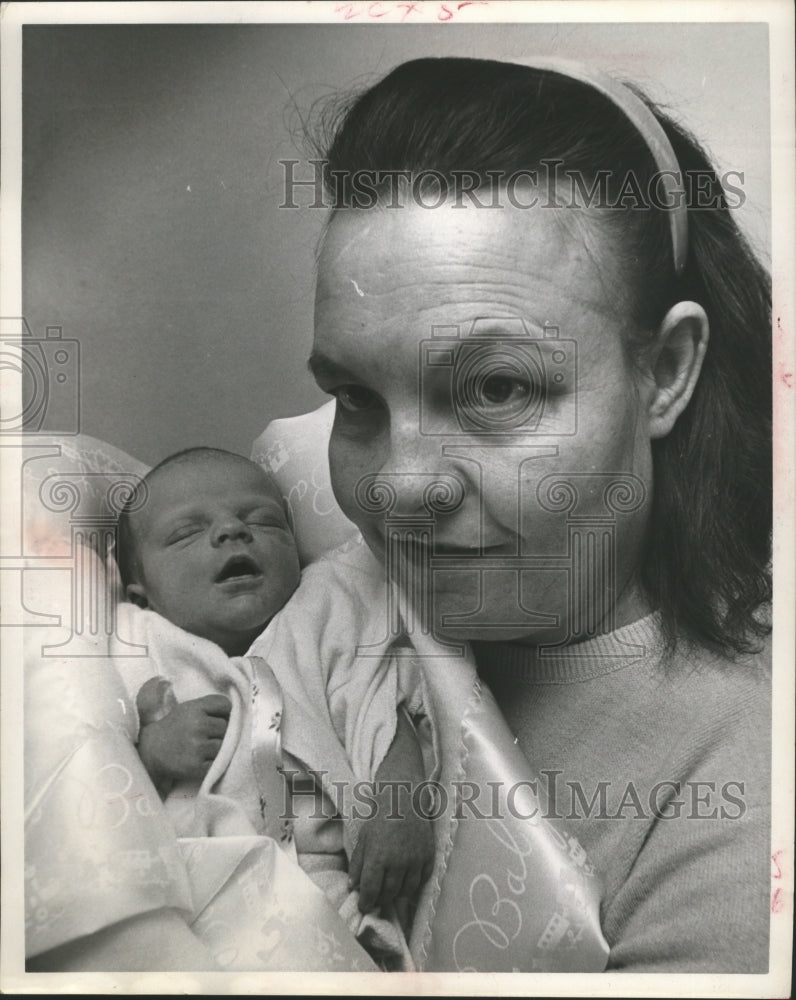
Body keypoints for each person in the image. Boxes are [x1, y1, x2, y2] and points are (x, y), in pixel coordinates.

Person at [294, 56, 772, 972]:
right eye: (356, 397)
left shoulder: (744, 797)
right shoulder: (334, 613)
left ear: (665, 373)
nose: (399, 487)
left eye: (498, 387)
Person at [114, 446, 434, 922]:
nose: (232, 531)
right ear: (141, 590)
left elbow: (382, 707)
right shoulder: (135, 641)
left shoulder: (323, 612)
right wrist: (151, 753)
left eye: (263, 522)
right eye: (186, 533)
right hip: (191, 891)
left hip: (327, 890)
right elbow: (95, 770)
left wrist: (399, 806)